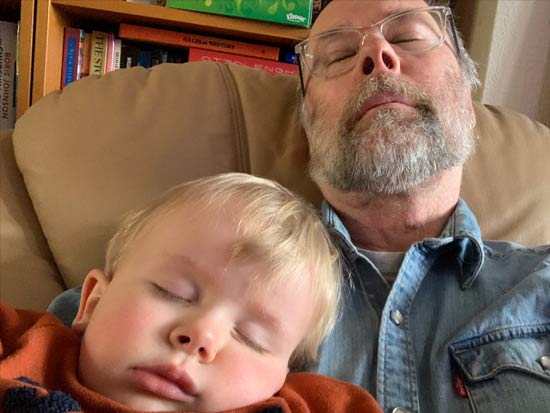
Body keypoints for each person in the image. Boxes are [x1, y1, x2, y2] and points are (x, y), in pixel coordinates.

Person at [295, 1, 550, 412]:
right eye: (339, 54)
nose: (376, 55)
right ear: (308, 124)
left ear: (467, 100)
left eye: (407, 37)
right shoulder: (220, 287)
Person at [0, 173, 382, 413]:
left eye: (251, 338)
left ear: (281, 378)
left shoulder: (310, 405)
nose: (201, 336)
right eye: (173, 292)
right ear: (92, 302)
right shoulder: (24, 350)